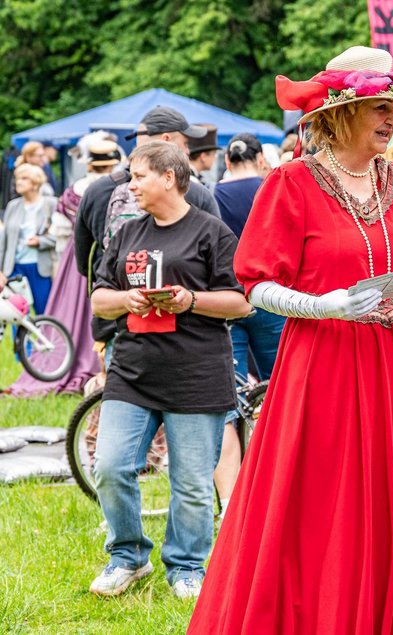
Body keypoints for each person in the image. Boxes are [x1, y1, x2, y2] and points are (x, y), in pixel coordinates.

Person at [188, 46, 393, 633]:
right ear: (342, 112)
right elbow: (255, 283)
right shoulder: (291, 183)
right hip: (324, 363)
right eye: (382, 108)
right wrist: (320, 305)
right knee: (319, 503)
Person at [87, 141, 250, 599]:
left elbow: (240, 301)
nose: (131, 184)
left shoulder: (212, 233)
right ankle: (127, 556)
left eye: (138, 176)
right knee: (111, 466)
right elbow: (100, 297)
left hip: (196, 375)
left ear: (168, 177)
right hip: (133, 373)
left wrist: (190, 299)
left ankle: (186, 567)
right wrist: (126, 299)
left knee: (193, 485)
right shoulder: (126, 235)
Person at [74, 106, 221, 354]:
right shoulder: (195, 193)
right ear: (166, 140)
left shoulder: (97, 191)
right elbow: (219, 264)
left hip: (116, 323)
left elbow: (85, 263)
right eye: (185, 143)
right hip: (187, 327)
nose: (187, 151)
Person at [7, 139, 122, 397]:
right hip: (110, 254)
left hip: (75, 256)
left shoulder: (74, 191)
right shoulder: (120, 188)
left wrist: (62, 267)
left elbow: (60, 232)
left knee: (71, 311)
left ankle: (69, 360)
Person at [211, 132, 285, 518]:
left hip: (228, 300)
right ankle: (276, 489)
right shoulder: (271, 187)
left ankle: (232, 503)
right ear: (259, 159)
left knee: (230, 398)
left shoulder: (213, 196)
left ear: (226, 160)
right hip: (272, 297)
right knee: (282, 389)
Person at [0, 163, 57, 313]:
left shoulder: (50, 204)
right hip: (14, 268)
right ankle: (21, 338)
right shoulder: (12, 206)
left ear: (35, 182)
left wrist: (41, 241)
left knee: (44, 310)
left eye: (24, 178)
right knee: (16, 311)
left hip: (40, 267)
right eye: (17, 178)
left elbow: (61, 236)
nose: (18, 182)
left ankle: (43, 337)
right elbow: (3, 242)